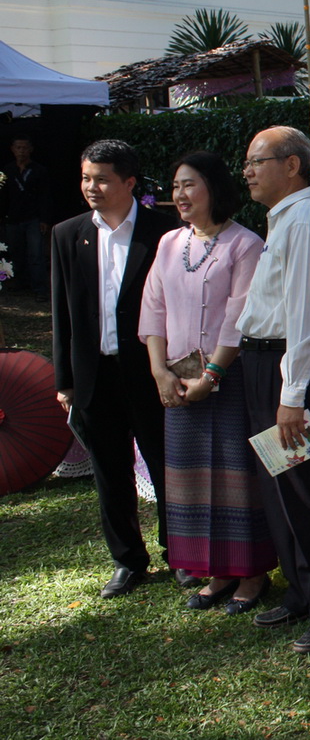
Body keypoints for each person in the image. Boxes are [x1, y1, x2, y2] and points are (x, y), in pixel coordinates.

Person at [235, 126, 310, 653]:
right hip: (272, 365)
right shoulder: (286, 220)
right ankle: (304, 589)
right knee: (282, 486)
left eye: (257, 160)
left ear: (292, 165)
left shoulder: (305, 221)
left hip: (295, 370)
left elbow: (305, 317)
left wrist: (293, 394)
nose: (247, 171)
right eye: (246, 162)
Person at [139, 151, 275, 614]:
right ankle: (216, 572)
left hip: (230, 379)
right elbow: (152, 308)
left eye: (189, 184)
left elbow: (240, 316)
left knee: (236, 477)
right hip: (176, 381)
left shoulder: (245, 245)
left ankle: (251, 574)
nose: (179, 194)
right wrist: (159, 370)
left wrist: (213, 373)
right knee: (192, 478)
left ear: (214, 189)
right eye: (175, 186)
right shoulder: (169, 243)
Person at [51, 138, 187, 598]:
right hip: (94, 375)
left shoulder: (164, 232)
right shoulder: (67, 234)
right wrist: (65, 381)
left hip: (150, 371)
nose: (92, 187)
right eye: (86, 178)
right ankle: (127, 560)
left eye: (102, 178)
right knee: (109, 472)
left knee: (166, 465)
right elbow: (62, 314)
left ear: (129, 182)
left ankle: (181, 554)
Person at [4, 134, 53, 294]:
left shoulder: (39, 170)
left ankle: (39, 288)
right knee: (16, 254)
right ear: (12, 149)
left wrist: (44, 219)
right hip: (12, 218)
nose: (21, 151)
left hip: (33, 218)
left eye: (24, 148)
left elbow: (45, 196)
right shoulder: (7, 170)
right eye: (18, 147)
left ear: (30, 149)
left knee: (36, 256)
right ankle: (20, 284)